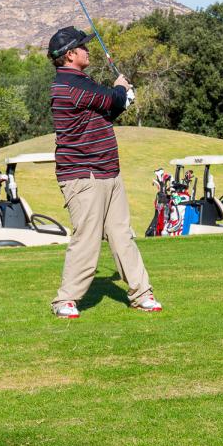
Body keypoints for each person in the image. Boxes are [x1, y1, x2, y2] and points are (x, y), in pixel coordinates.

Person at [47, 26, 162, 319]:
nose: (88, 50)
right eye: (83, 47)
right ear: (70, 55)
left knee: (122, 235)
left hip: (108, 170)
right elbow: (110, 99)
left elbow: (105, 112)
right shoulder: (69, 85)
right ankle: (65, 299)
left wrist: (122, 98)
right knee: (87, 238)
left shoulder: (83, 84)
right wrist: (121, 88)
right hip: (83, 175)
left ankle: (142, 293)